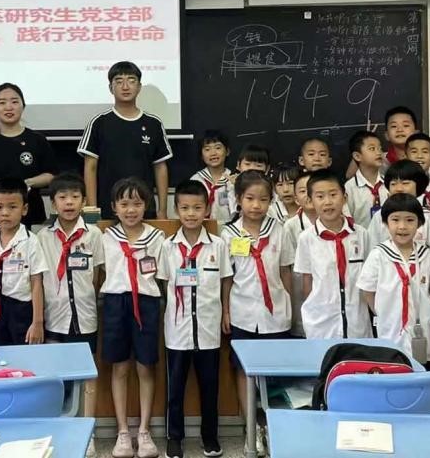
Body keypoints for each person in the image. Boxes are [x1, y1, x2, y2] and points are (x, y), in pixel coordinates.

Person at [221, 171, 293, 455]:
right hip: (242, 311)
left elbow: (285, 270)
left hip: (276, 313)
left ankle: (275, 427)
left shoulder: (280, 230)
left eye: (263, 199)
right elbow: (227, 277)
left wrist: (290, 305)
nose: (256, 205)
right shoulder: (228, 234)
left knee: (275, 373)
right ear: (239, 199)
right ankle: (251, 429)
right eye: (250, 198)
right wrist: (225, 311)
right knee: (244, 371)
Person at [160, 180, 232, 458]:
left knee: (210, 387)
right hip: (177, 330)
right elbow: (162, 285)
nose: (191, 213)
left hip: (208, 329)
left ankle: (210, 437)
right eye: (185, 208)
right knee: (175, 389)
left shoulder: (218, 245)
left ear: (207, 209)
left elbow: (226, 281)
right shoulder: (167, 247)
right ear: (176, 209)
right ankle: (174, 438)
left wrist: (226, 312)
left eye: (197, 208)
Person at [100, 177, 168, 458]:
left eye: (137, 203)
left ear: (146, 205)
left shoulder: (157, 238)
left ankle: (144, 431)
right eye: (125, 204)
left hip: (147, 302)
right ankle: (122, 432)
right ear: (114, 207)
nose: (131, 210)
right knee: (119, 367)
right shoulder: (106, 237)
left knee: (145, 367)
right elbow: (100, 273)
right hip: (115, 302)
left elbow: (162, 277)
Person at [35, 173, 104, 429]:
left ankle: (87, 430)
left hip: (85, 316)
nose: (69, 202)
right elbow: (38, 278)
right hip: (55, 316)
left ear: (84, 201)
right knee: (55, 375)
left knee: (87, 374)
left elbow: (98, 275)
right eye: (62, 197)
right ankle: (57, 428)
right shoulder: (42, 237)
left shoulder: (93, 234)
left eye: (75, 197)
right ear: (53, 204)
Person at [79, 61, 173, 221]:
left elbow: (160, 168)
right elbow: (90, 167)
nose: (125, 86)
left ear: (139, 87)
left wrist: (162, 210)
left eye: (131, 80)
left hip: (144, 209)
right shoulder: (99, 123)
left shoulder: (153, 123)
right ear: (111, 88)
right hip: (108, 210)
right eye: (119, 81)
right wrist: (92, 210)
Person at [356, 194, 430, 364]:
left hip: (422, 331)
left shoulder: (427, 256)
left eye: (410, 220)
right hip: (390, 329)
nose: (402, 226)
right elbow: (367, 291)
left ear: (420, 223)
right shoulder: (378, 255)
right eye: (395, 220)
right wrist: (382, 312)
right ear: (385, 223)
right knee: (393, 368)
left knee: (422, 369)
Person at [296, 168, 371, 339]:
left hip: (357, 322)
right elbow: (307, 281)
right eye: (320, 196)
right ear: (310, 201)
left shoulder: (361, 234)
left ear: (344, 197)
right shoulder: (306, 238)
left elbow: (368, 278)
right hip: (321, 324)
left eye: (333, 194)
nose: (328, 202)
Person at [0, 83, 56, 227]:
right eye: (2, 102)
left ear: (23, 106)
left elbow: (51, 175)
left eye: (14, 102)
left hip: (31, 214)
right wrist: (0, 187)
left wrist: (26, 183)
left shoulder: (37, 140)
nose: (9, 107)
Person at [0, 178, 48, 346]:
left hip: (23, 311)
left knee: (25, 356)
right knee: (0, 356)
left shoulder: (31, 241)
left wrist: (37, 322)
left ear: (24, 209)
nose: (5, 213)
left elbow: (36, 283)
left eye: (12, 207)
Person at [371, 160, 430, 249]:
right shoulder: (379, 216)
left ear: (418, 185)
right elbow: (372, 246)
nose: (399, 189)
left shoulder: (429, 218)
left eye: (405, 183)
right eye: (393, 184)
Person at [285, 169, 317, 337]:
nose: (309, 195)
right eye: (303, 191)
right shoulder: (290, 226)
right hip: (299, 288)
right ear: (296, 199)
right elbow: (288, 265)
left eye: (313, 190)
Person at [343, 131, 386, 228]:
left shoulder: (389, 183)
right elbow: (347, 220)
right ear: (357, 156)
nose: (379, 152)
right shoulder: (349, 188)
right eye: (372, 149)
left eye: (380, 148)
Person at [190, 130, 234, 223]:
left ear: (227, 151)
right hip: (201, 227)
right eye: (207, 149)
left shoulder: (233, 180)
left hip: (229, 228)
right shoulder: (195, 180)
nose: (213, 153)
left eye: (218, 148)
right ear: (201, 155)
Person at [226, 144, 270, 221]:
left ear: (267, 169)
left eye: (258, 165)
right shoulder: (229, 186)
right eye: (247, 164)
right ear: (238, 165)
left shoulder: (270, 188)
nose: (252, 168)